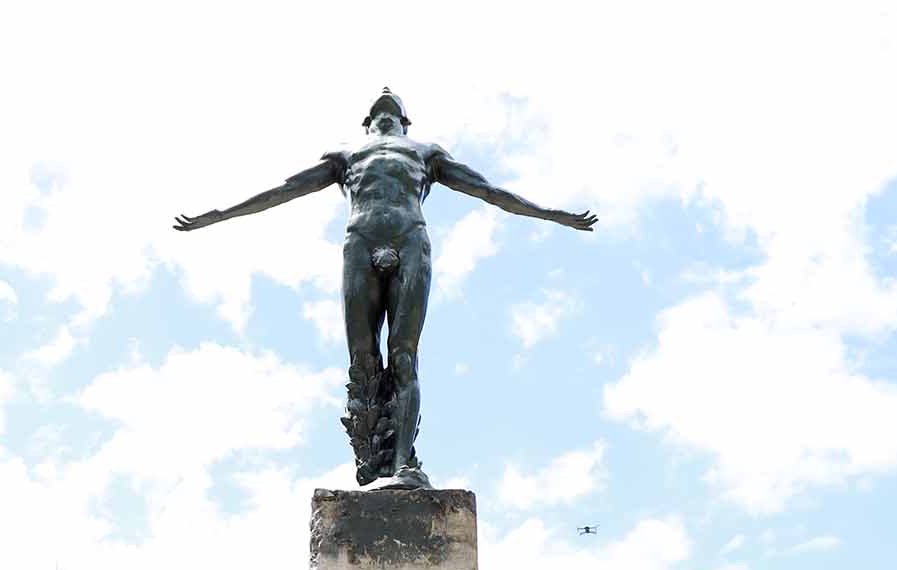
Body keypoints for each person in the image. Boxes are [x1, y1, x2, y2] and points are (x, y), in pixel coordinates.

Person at [173, 89, 597, 488]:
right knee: (361, 358)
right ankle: (372, 457)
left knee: (403, 355)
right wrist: (220, 214)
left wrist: (550, 215)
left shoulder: (427, 154)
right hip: (361, 239)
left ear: (405, 121)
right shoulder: (345, 155)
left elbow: (488, 191)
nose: (386, 92)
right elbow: (284, 190)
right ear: (367, 121)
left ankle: (401, 465)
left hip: (409, 238)